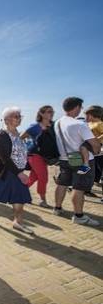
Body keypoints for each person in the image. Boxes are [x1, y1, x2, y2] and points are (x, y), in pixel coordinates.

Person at [0, 107, 33, 234]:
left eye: (20, 116)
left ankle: (18, 221)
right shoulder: (1, 135)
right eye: (16, 116)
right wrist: (19, 173)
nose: (19, 118)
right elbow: (5, 157)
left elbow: (21, 153)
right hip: (4, 172)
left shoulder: (18, 134)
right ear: (6, 119)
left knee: (19, 197)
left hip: (18, 171)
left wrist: (25, 167)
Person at [53, 97, 101, 226]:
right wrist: (96, 150)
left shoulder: (57, 123)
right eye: (80, 107)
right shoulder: (79, 124)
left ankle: (57, 208)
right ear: (76, 107)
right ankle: (79, 216)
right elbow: (94, 144)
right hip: (81, 160)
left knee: (62, 184)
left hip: (64, 159)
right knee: (78, 188)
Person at [20, 105, 55, 208]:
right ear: (41, 113)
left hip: (46, 156)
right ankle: (42, 200)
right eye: (49, 111)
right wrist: (22, 150)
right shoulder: (34, 126)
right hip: (34, 154)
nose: (51, 113)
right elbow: (20, 138)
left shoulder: (53, 125)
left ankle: (20, 193)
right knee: (43, 177)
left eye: (52, 111)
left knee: (34, 177)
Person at [83, 106, 103, 197]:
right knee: (92, 167)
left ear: (90, 116)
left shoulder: (98, 123)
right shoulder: (91, 124)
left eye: (85, 115)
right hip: (92, 148)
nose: (84, 117)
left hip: (99, 148)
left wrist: (97, 140)